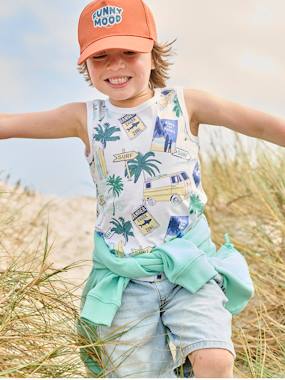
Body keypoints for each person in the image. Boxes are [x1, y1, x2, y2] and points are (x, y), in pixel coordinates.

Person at [1, 0, 284, 377]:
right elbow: (11, 123)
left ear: (153, 53)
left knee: (214, 358)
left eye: (128, 52)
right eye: (101, 56)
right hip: (126, 275)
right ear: (84, 64)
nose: (116, 66)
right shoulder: (84, 117)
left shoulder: (185, 104)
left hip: (189, 264)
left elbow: (259, 125)